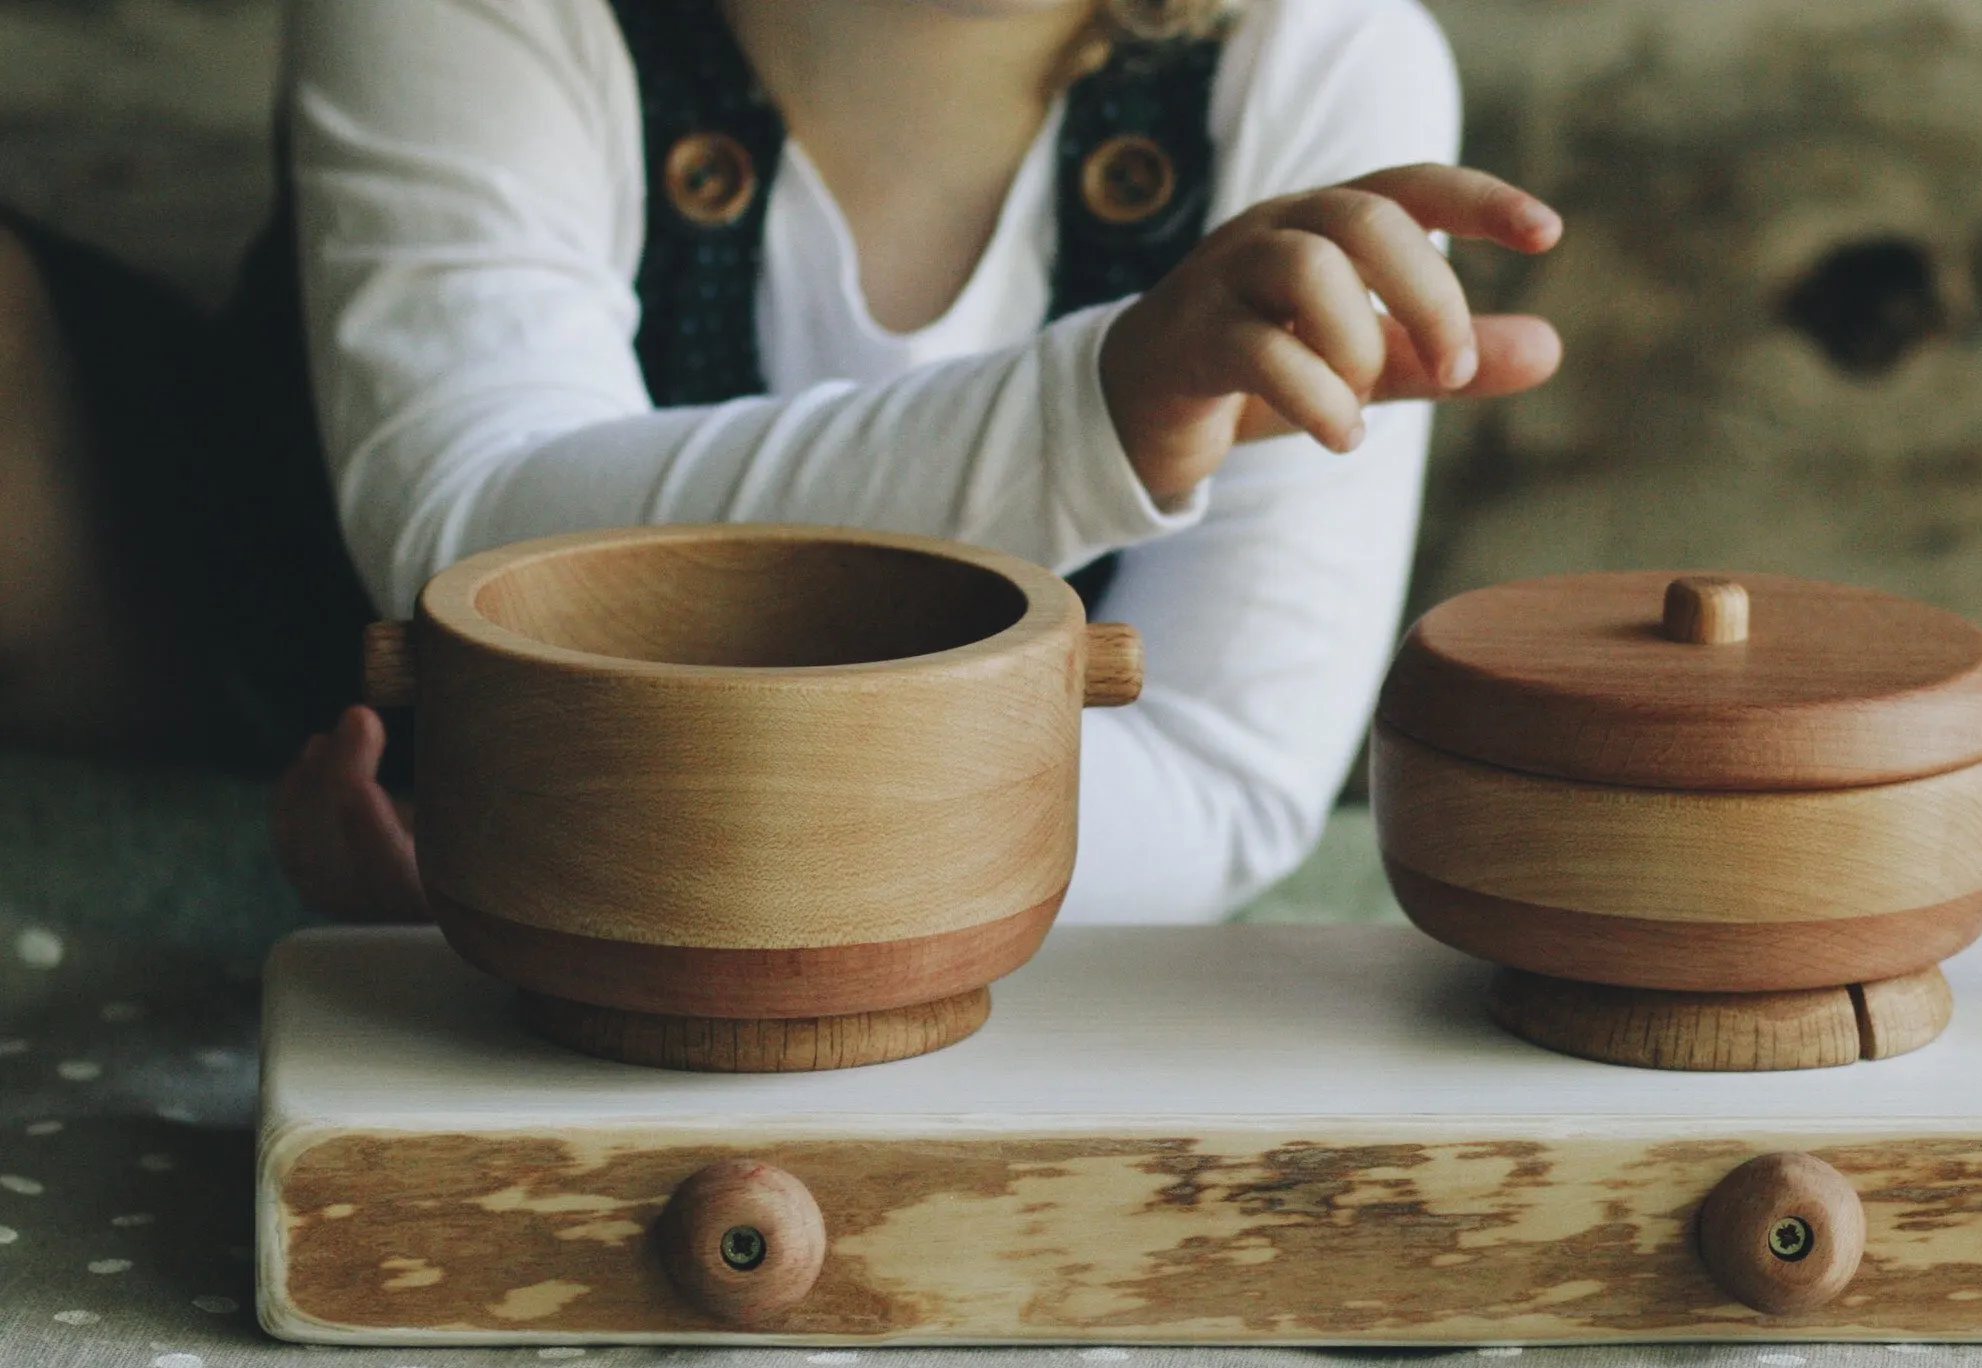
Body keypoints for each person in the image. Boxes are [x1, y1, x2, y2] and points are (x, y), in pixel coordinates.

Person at [0, 0, 1561, 923]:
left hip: (641, 826)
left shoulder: (1315, 61)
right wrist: (1085, 420)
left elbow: (1223, 772)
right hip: (278, 636)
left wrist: (624, 874)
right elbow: (475, 534)